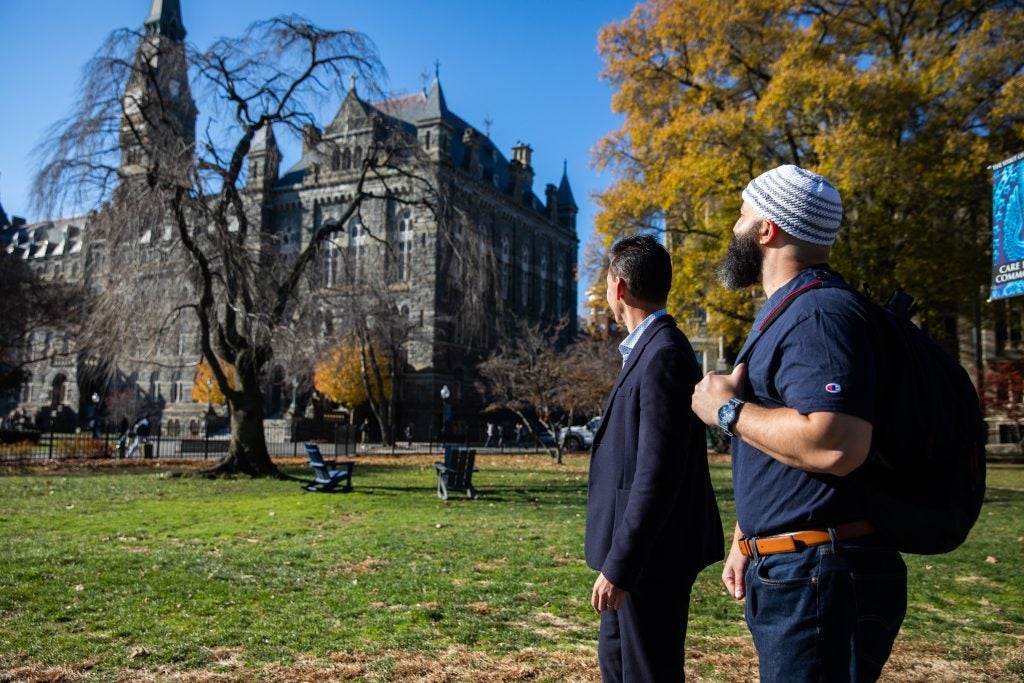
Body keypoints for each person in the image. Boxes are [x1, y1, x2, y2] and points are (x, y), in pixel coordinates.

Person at [691, 165, 907, 682]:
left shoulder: (819, 315)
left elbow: (836, 444)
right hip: (799, 568)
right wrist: (748, 536)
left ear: (767, 230)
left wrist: (727, 411)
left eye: (742, 217)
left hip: (820, 576)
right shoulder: (790, 312)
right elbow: (784, 447)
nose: (733, 231)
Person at [586, 234, 724, 681]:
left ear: (620, 288)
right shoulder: (647, 351)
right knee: (619, 667)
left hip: (650, 560)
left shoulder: (663, 354)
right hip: (632, 558)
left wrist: (622, 566)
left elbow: (657, 473)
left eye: (606, 283)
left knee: (647, 672)